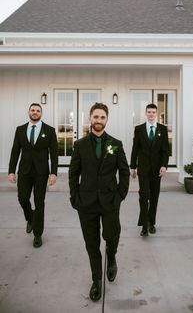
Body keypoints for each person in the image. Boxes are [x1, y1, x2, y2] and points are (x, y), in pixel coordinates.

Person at [69, 102, 130, 302]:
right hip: (86, 203)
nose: (99, 121)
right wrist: (75, 197)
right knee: (91, 244)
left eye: (102, 117)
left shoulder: (115, 143)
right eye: (96, 117)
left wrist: (120, 195)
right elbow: (73, 173)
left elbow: (124, 171)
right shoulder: (79, 145)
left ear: (106, 120)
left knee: (112, 236)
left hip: (110, 200)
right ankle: (96, 279)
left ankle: (111, 257)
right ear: (90, 118)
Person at [8, 103, 58, 248]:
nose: (35, 112)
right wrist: (11, 171)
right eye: (33, 110)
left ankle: (37, 234)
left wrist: (54, 173)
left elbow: (54, 153)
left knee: (39, 202)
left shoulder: (49, 130)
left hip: (41, 173)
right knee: (22, 198)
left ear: (41, 113)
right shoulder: (20, 130)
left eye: (38, 110)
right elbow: (15, 151)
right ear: (28, 112)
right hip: (24, 171)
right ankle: (30, 218)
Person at [130, 103, 169, 237]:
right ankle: (144, 225)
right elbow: (135, 148)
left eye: (153, 112)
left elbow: (165, 150)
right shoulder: (139, 129)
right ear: (146, 113)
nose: (151, 114)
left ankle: (152, 223)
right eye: (149, 112)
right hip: (143, 169)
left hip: (157, 169)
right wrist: (132, 166)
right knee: (143, 196)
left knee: (154, 196)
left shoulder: (162, 129)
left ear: (156, 114)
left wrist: (164, 166)